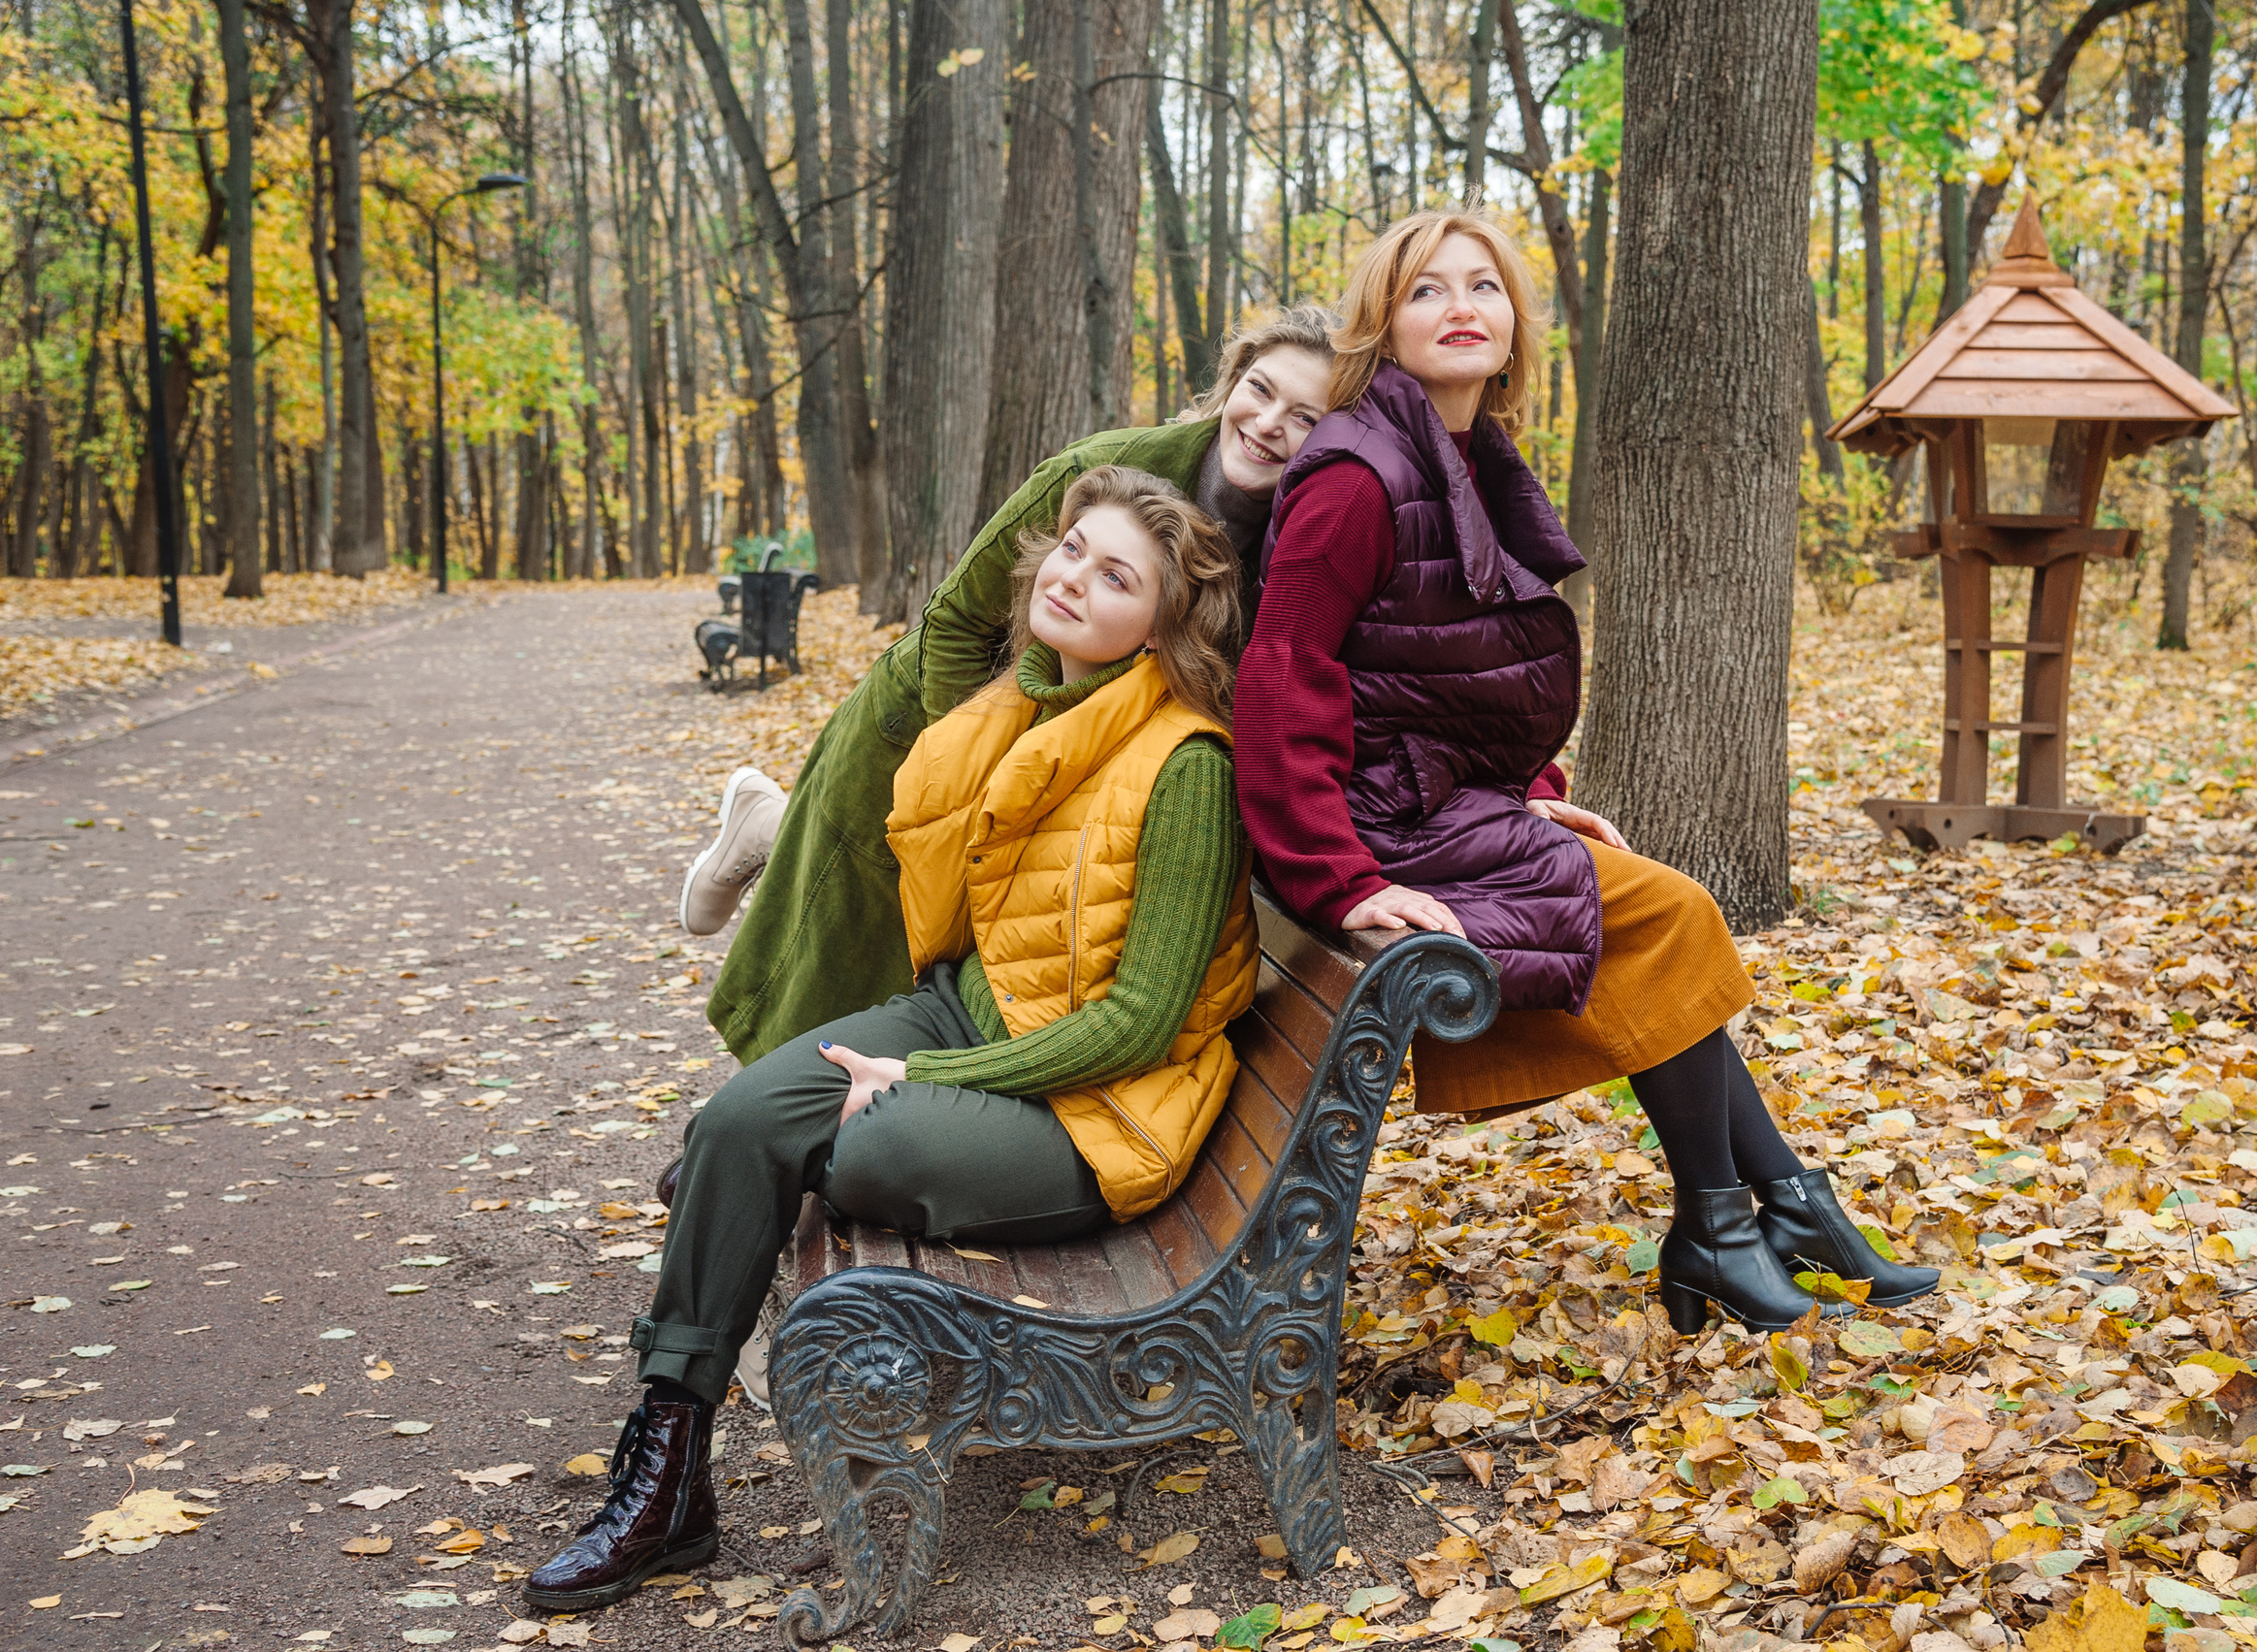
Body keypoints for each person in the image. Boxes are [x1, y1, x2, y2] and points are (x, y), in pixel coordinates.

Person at [527, 468, 1258, 1609]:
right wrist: (925, 1046)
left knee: (859, 1150)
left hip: (1099, 1111)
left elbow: (1138, 1023)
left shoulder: (1186, 765)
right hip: (968, 1018)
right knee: (731, 1123)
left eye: (1117, 575)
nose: (1073, 576)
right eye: (1072, 548)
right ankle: (668, 1467)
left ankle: (741, 1215)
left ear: (1162, 622)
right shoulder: (1021, 710)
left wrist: (925, 1069)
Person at [1232, 209, 1939, 1335]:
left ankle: (1770, 1209)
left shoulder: (1461, 453)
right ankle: (1739, 1216)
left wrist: (1531, 795)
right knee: (1670, 913)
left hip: (1439, 803)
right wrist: (1341, 878)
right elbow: (1283, 677)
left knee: (1650, 916)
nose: (1459, 306)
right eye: (1425, 290)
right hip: (1380, 831)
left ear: (1514, 325)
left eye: (1483, 286)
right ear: (1381, 320)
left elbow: (1453, 672)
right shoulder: (1357, 471)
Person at [684, 309, 1336, 1071]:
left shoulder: (1299, 540)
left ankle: (771, 825)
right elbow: (954, 622)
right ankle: (751, 1131)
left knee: (950, 972)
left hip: (1066, 756)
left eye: (1305, 418)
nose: (1267, 423)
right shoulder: (1107, 466)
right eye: (1259, 390)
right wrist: (981, 773)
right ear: (1233, 380)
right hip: (939, 716)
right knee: (849, 953)